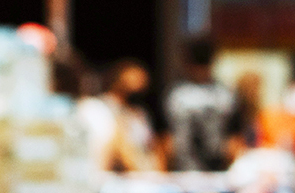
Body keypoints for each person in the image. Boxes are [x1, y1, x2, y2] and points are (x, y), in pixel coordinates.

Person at [77, 59, 164, 174]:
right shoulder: (100, 108)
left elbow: (151, 146)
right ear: (118, 81)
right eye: (133, 80)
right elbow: (119, 147)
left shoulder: (139, 112)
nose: (138, 87)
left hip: (144, 173)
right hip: (119, 175)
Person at [165, 38, 235, 171]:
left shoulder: (225, 95)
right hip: (184, 171)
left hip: (217, 171)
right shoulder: (176, 94)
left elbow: (234, 141)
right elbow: (166, 141)